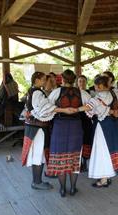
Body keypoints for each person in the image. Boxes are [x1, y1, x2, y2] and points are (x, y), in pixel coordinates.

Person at [21, 71, 72, 190]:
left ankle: (37, 180)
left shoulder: (32, 90)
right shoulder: (37, 92)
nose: (45, 81)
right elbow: (44, 108)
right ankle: (37, 182)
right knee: (38, 154)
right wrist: (63, 110)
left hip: (34, 127)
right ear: (37, 80)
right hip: (37, 128)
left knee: (39, 154)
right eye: (44, 79)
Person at [46, 69, 90, 197]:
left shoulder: (56, 92)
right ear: (75, 80)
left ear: (63, 79)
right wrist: (77, 109)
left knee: (60, 156)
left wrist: (63, 110)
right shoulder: (81, 92)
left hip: (60, 126)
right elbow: (93, 104)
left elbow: (47, 108)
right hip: (76, 126)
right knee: (74, 157)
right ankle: (73, 188)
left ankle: (62, 189)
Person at [82, 75, 118, 187]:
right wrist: (116, 111)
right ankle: (107, 176)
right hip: (113, 124)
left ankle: (103, 178)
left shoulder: (96, 98)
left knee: (101, 150)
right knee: (111, 148)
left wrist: (75, 109)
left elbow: (89, 108)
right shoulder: (113, 94)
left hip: (102, 126)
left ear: (101, 85)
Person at [76, 75, 93, 172]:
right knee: (78, 142)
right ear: (77, 83)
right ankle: (79, 162)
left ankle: (85, 162)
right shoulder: (74, 93)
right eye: (80, 81)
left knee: (86, 141)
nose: (81, 83)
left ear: (86, 83)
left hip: (86, 120)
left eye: (83, 81)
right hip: (77, 120)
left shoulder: (89, 93)